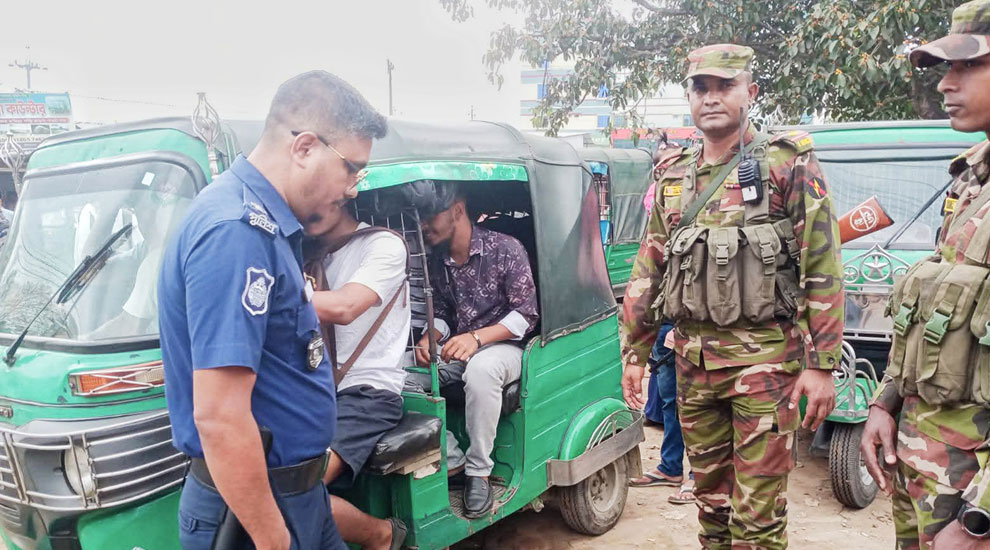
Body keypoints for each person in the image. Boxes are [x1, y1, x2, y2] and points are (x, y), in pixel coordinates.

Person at [621, 44, 843, 549]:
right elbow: (648, 267)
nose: (712, 98)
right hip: (694, 367)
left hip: (766, 367)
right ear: (690, 98)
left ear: (751, 92)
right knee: (712, 509)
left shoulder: (788, 163)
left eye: (726, 86)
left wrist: (822, 363)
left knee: (758, 519)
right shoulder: (674, 175)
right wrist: (635, 351)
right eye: (702, 88)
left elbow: (822, 265)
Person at [158, 71, 387, 550]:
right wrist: (271, 537)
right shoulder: (236, 233)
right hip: (253, 513)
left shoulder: (267, 227)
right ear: (304, 147)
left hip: (297, 498)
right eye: (351, 168)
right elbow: (220, 415)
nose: (352, 188)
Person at [860, 3, 990, 548]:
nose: (944, 85)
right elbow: (933, 314)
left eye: (964, 67)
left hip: (971, 495)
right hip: (923, 467)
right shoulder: (971, 181)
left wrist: (981, 519)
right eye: (943, 70)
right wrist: (885, 402)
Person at [413, 187, 539, 518]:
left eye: (431, 216)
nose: (424, 225)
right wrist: (430, 338)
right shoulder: (436, 261)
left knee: (482, 369)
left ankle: (479, 472)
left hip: (507, 348)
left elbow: (525, 315)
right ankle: (453, 462)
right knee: (400, 373)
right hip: (463, 346)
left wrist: (477, 338)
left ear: (457, 210)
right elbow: (440, 312)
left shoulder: (506, 249)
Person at [304, 202, 410, 550]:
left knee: (299, 491)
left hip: (369, 392)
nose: (308, 210)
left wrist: (268, 292)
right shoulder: (306, 252)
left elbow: (345, 307)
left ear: (340, 192)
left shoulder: (383, 246)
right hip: (316, 388)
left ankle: (381, 535)